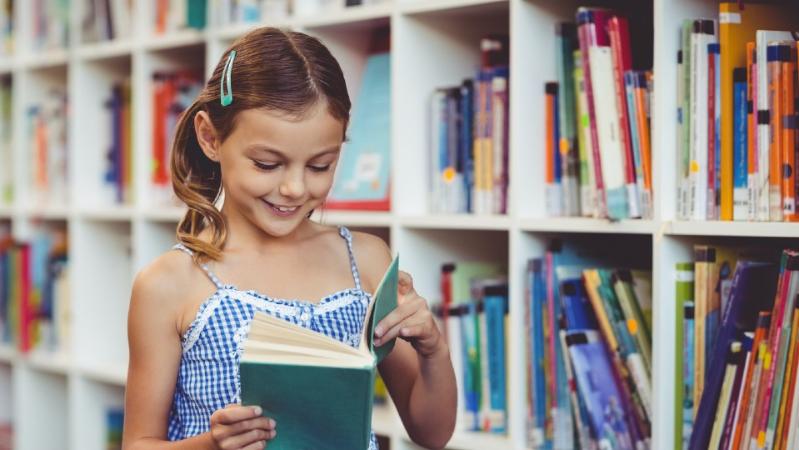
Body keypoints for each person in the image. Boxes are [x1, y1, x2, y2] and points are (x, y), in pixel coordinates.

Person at [122, 27, 456, 450]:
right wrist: (213, 444)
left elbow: (433, 432)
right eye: (267, 164)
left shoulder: (367, 262)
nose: (296, 188)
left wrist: (433, 351)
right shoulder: (169, 283)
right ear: (210, 138)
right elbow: (138, 443)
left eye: (320, 166)